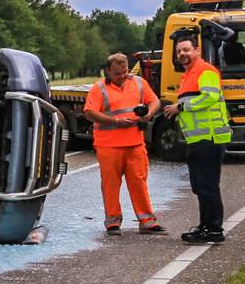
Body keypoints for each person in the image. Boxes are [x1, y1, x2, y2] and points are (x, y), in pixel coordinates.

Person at [82, 53, 164, 234]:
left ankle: (147, 221)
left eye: (125, 71)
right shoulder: (99, 89)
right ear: (108, 72)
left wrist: (148, 114)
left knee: (139, 183)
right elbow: (89, 112)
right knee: (111, 185)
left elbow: (155, 101)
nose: (122, 76)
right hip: (108, 146)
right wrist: (117, 122)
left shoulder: (139, 83)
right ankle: (112, 222)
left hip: (135, 144)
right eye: (118, 73)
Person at [163, 31, 231, 243]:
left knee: (207, 185)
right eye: (179, 51)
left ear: (197, 51)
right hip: (198, 139)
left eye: (186, 50)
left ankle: (213, 229)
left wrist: (180, 106)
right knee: (200, 185)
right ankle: (206, 226)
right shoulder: (189, 75)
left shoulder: (205, 71)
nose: (182, 54)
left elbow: (210, 98)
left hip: (209, 138)